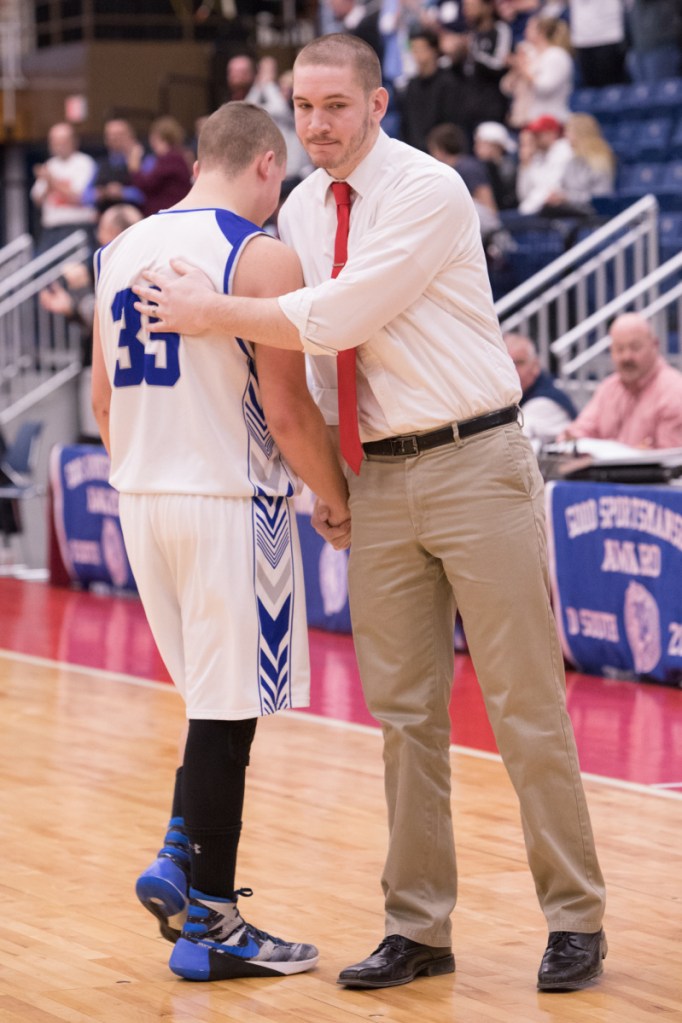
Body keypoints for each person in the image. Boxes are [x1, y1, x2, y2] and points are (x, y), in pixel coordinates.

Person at [133, 33, 607, 994]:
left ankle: (575, 916)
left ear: (378, 103)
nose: (316, 124)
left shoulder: (429, 190)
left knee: (524, 703)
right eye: (303, 108)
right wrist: (327, 481)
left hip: (476, 458)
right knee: (403, 717)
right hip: (379, 476)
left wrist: (213, 309)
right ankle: (417, 924)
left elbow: (342, 315)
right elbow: (309, 367)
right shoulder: (301, 206)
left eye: (336, 106)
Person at [91, 101, 350, 983]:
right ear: (269, 165)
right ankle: (215, 916)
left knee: (213, 699)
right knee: (232, 702)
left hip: (141, 495)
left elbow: (100, 403)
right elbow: (285, 407)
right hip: (230, 497)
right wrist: (334, 494)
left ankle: (176, 856)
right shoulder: (257, 250)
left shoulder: (119, 247)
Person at [40, 204, 144, 441]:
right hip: (139, 374)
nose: (98, 235)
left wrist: (78, 297)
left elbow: (107, 317)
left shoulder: (112, 266)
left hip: (116, 373)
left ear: (114, 233)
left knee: (100, 444)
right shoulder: (148, 263)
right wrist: (71, 308)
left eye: (103, 229)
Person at [559, 313, 682, 449]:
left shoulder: (674, 391)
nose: (626, 357)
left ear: (655, 345)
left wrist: (644, 458)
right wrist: (569, 439)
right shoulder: (608, 388)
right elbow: (579, 431)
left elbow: (673, 459)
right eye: (619, 349)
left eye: (635, 348)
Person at [30, 121, 97, 254]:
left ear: (74, 141)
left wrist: (51, 180)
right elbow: (37, 200)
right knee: (43, 270)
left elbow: (79, 197)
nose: (59, 145)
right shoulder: (50, 165)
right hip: (51, 229)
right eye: (54, 141)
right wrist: (48, 182)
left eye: (63, 140)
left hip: (77, 227)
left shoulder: (84, 163)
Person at [501, 14, 573, 128]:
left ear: (542, 31)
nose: (525, 31)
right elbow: (507, 88)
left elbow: (544, 87)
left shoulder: (556, 55)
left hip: (552, 122)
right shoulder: (531, 54)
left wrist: (522, 68)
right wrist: (515, 69)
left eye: (529, 27)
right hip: (531, 120)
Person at [504, 332, 576, 444]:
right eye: (506, 363)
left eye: (519, 363)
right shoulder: (515, 397)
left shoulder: (546, 402)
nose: (512, 369)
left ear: (535, 365)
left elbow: (510, 440)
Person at [540, 113, 616, 218]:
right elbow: (563, 186)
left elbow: (600, 198)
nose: (566, 135)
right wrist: (557, 197)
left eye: (568, 131)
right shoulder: (571, 161)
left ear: (580, 133)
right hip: (571, 211)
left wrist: (568, 198)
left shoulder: (599, 161)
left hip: (592, 213)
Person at [399, 28, 462, 152]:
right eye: (413, 49)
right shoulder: (412, 85)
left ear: (433, 50)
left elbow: (449, 122)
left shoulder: (448, 82)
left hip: (440, 151)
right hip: (413, 150)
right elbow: (406, 121)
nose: (415, 54)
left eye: (420, 49)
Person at [127, 115, 192, 217]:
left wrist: (134, 167)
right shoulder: (176, 157)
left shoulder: (171, 158)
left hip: (168, 216)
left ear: (156, 136)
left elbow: (147, 185)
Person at [83, 118, 146, 214]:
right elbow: (85, 196)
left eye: (119, 135)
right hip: (105, 216)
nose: (114, 139)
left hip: (135, 217)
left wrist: (123, 193)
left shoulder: (144, 161)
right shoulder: (100, 164)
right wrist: (100, 193)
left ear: (131, 136)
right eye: (110, 135)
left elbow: (148, 194)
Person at [516, 114, 572, 215]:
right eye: (534, 134)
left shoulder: (564, 150)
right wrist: (525, 165)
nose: (535, 138)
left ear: (552, 134)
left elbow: (552, 187)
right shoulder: (537, 156)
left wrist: (527, 209)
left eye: (539, 134)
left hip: (559, 208)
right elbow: (523, 195)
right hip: (537, 209)